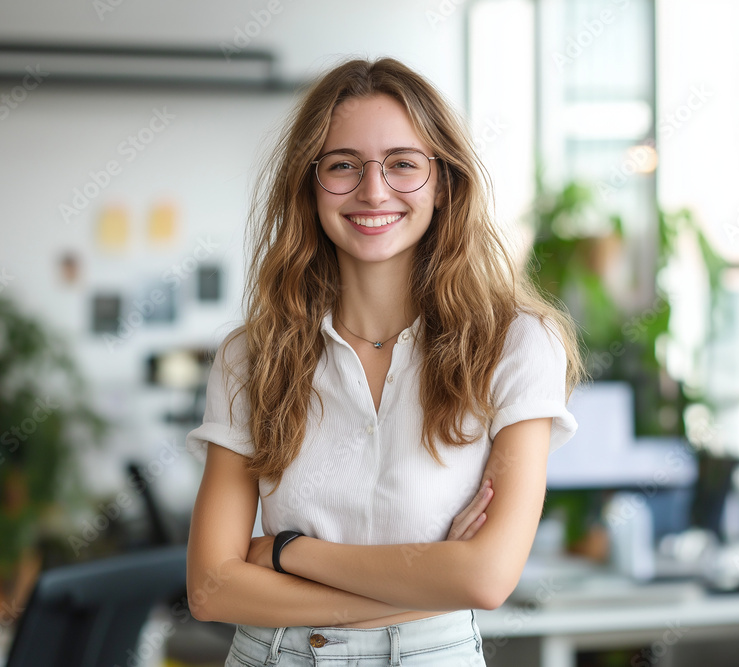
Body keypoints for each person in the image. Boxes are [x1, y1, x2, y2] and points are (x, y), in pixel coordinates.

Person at [185, 56, 583, 666]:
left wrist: (289, 552)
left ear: (444, 182)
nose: (374, 190)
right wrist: (423, 586)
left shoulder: (515, 344)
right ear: (309, 184)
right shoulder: (252, 356)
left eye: (403, 164)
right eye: (343, 165)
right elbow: (211, 590)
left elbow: (485, 579)